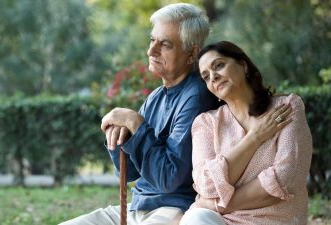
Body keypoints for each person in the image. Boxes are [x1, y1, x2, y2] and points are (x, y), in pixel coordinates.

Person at [58, 3, 220, 225]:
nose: (151, 51)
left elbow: (169, 178)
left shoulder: (197, 96)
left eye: (165, 44)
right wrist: (118, 135)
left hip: (175, 208)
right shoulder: (156, 96)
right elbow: (129, 173)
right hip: (137, 207)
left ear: (191, 53)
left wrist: (136, 123)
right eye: (152, 40)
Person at [179, 41, 313, 225]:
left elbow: (286, 178)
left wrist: (218, 204)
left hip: (275, 220)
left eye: (218, 65)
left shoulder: (287, 108)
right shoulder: (206, 123)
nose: (214, 77)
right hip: (217, 220)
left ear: (243, 65)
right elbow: (207, 185)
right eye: (206, 77)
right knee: (197, 219)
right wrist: (255, 137)